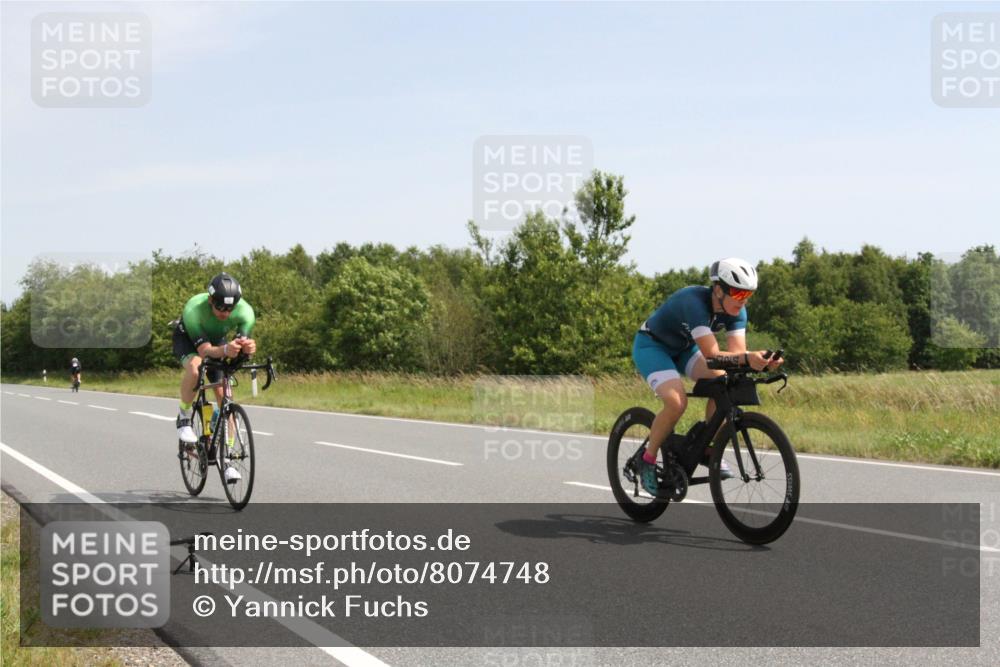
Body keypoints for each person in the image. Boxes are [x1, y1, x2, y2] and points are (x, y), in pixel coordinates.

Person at [632, 257, 783, 496]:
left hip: (684, 349)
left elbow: (735, 357)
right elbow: (713, 355)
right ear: (718, 289)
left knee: (724, 381)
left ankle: (704, 446)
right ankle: (647, 460)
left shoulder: (738, 313)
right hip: (652, 346)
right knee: (676, 402)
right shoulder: (694, 303)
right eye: (737, 293)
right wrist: (747, 358)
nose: (742, 301)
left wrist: (761, 362)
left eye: (747, 295)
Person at [172, 273, 257, 484]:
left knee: (225, 398)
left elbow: (239, 347)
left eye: (230, 309)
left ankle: (226, 460)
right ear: (211, 300)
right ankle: (184, 415)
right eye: (220, 308)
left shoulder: (246, 312)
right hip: (189, 341)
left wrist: (247, 349)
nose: (225, 313)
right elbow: (205, 351)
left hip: (216, 341)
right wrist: (227, 349)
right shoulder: (193, 308)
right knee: (195, 367)